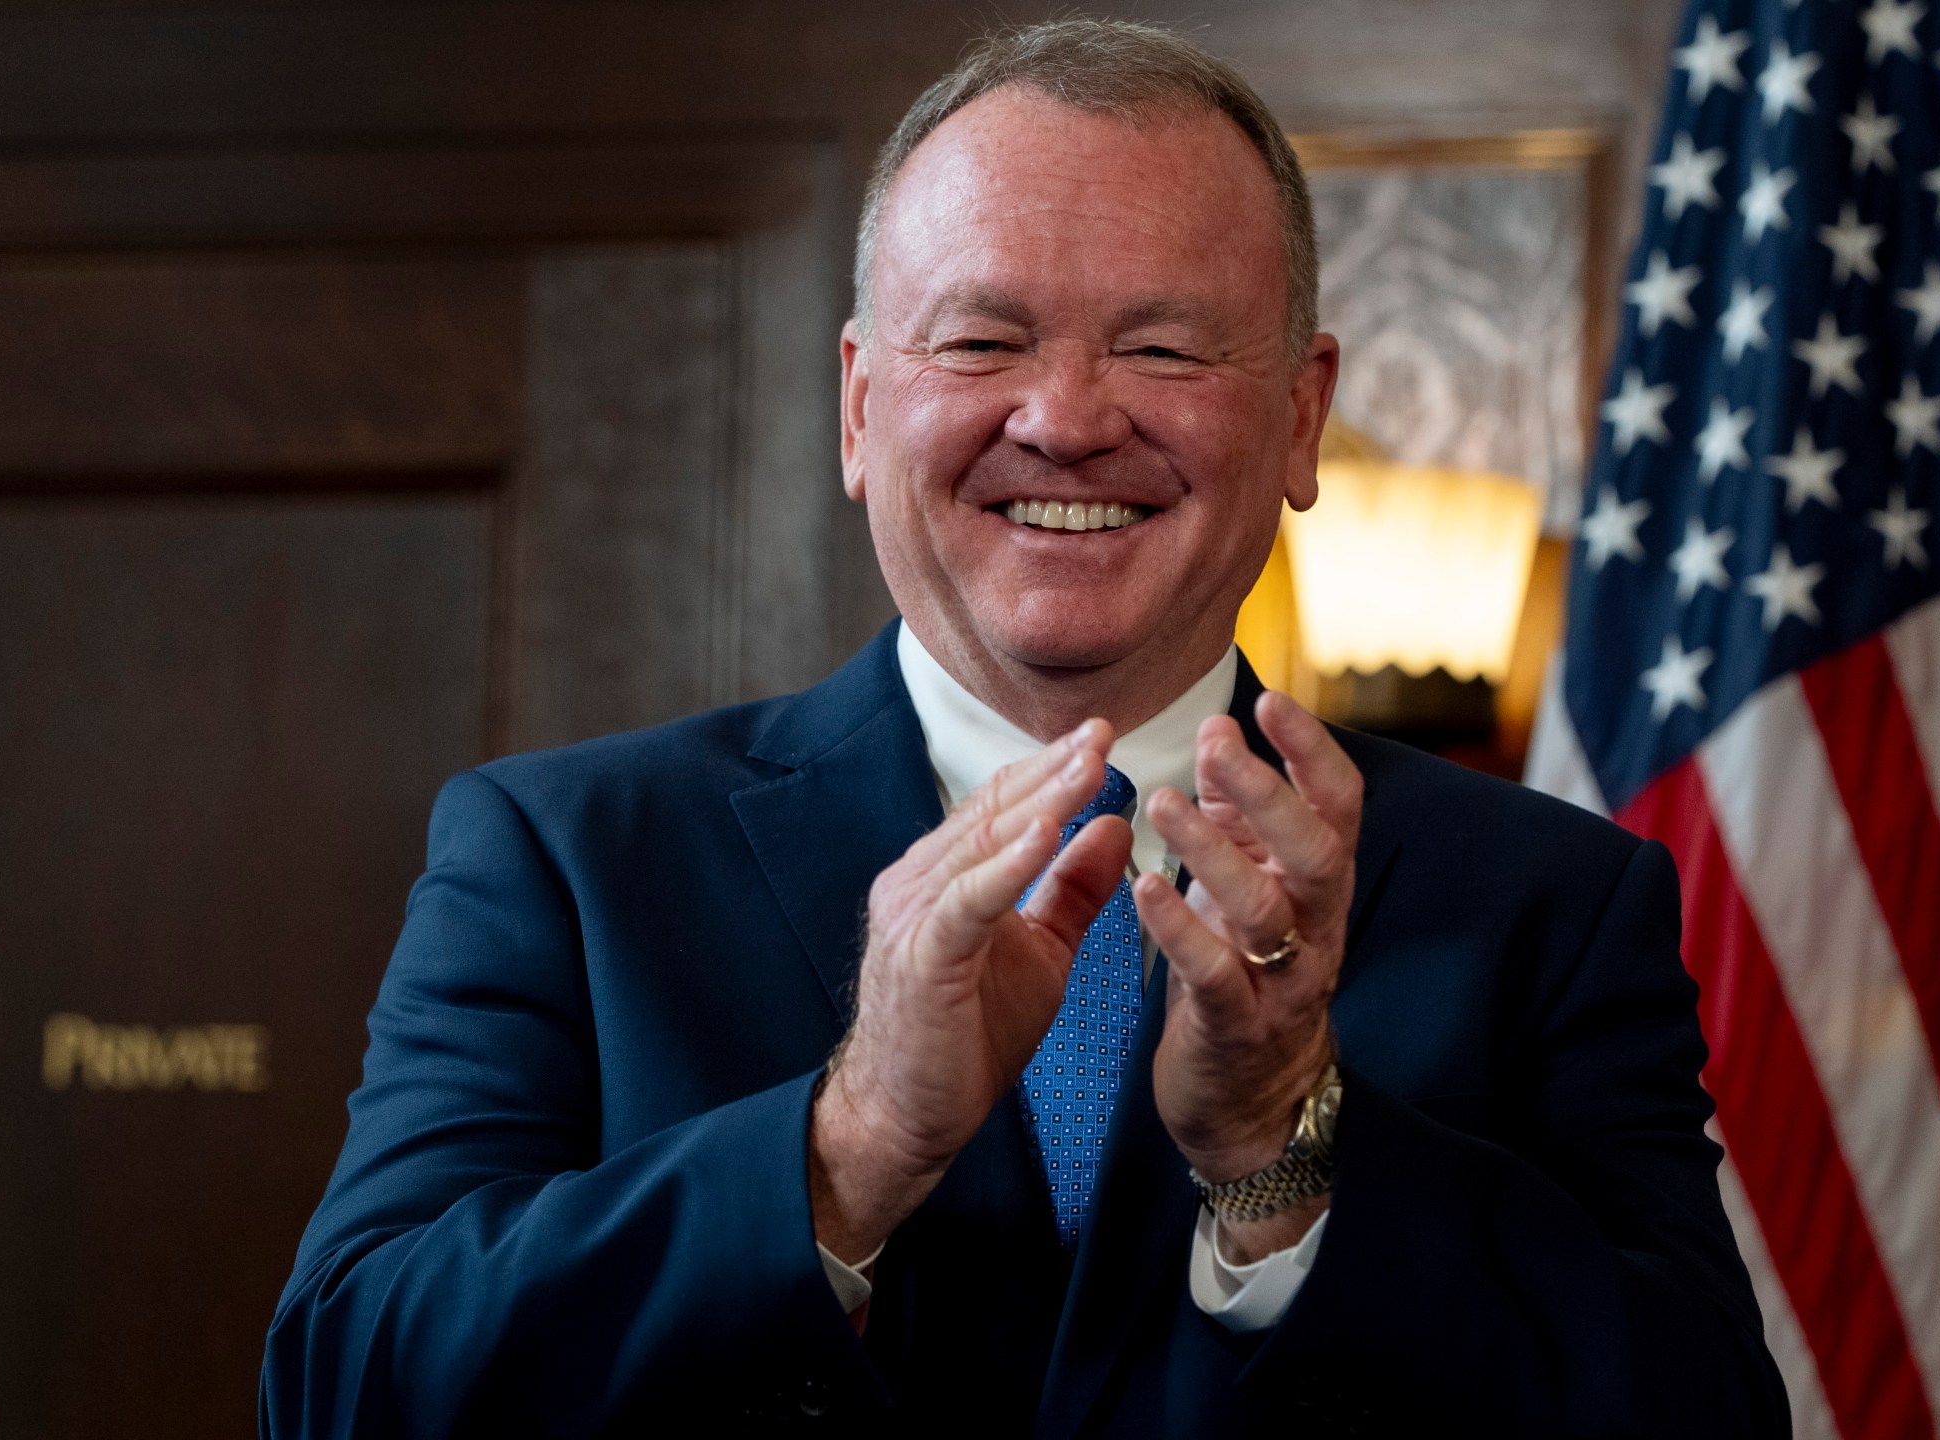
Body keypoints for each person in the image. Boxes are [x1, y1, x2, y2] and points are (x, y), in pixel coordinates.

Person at [264, 18, 1788, 1436]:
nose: (1066, 416)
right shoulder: (567, 859)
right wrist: (848, 1147)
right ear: (861, 410)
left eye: (1166, 348)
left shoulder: (1553, 902)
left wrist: (1284, 1155)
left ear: (1303, 417)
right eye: (982, 343)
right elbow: (344, 1387)